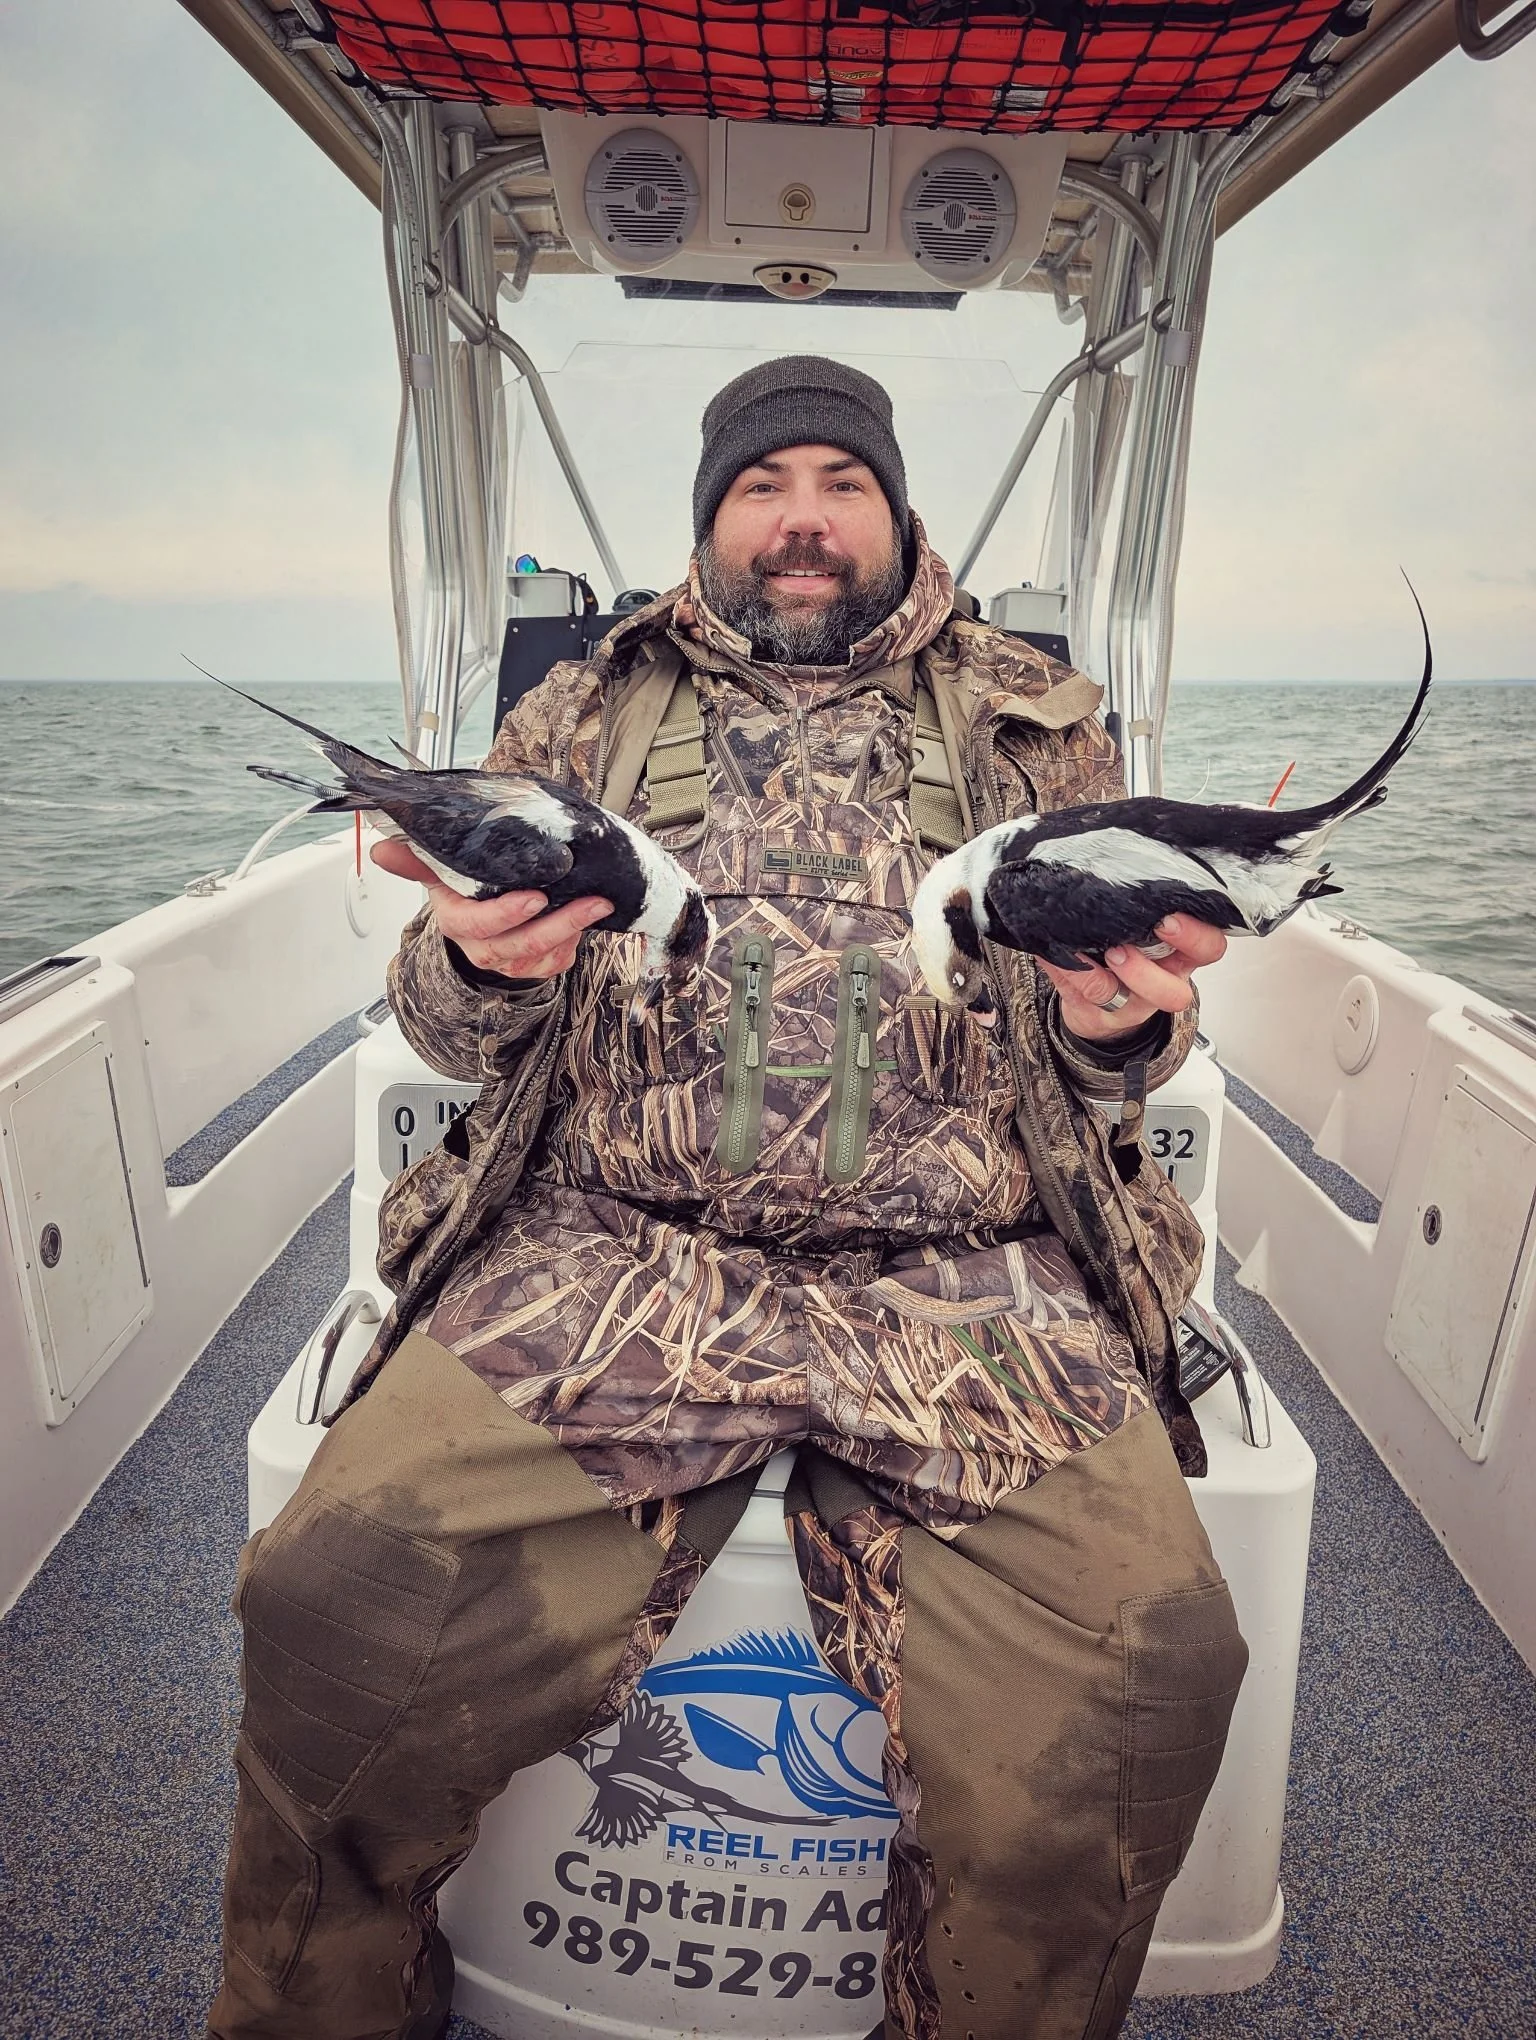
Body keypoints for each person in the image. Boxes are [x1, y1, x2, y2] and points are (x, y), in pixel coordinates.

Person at [210, 355, 1246, 2040]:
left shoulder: (1037, 717)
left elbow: (1128, 1053)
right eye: (764, 486)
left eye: (843, 482)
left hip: (967, 1280)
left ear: (899, 512)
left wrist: (1127, 1023)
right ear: (712, 521)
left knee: (1151, 1668)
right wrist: (481, 964)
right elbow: (443, 1019)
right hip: (615, 1261)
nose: (805, 520)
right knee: (331, 1604)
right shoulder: (584, 710)